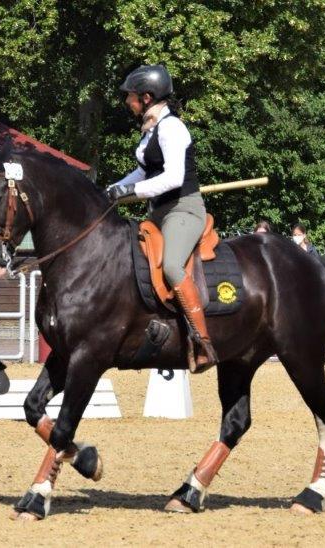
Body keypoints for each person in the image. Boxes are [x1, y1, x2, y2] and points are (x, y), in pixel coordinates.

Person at [104, 64, 217, 373]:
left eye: (130, 96)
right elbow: (143, 173)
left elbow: (173, 177)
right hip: (158, 213)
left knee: (171, 266)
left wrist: (131, 191)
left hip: (183, 209)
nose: (127, 102)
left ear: (147, 97)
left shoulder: (172, 128)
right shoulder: (151, 130)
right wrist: (113, 190)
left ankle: (203, 342)